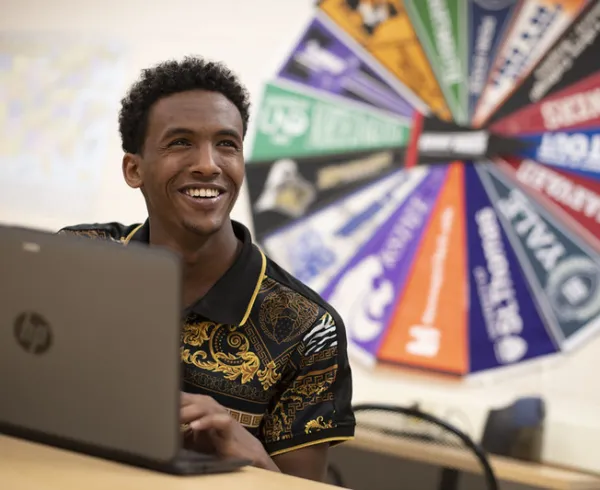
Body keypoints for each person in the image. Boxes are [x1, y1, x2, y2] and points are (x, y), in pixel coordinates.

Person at [58, 56, 355, 482]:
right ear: (134, 168)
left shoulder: (308, 329)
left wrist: (248, 451)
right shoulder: (75, 259)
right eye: (180, 142)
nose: (208, 164)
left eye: (227, 144)